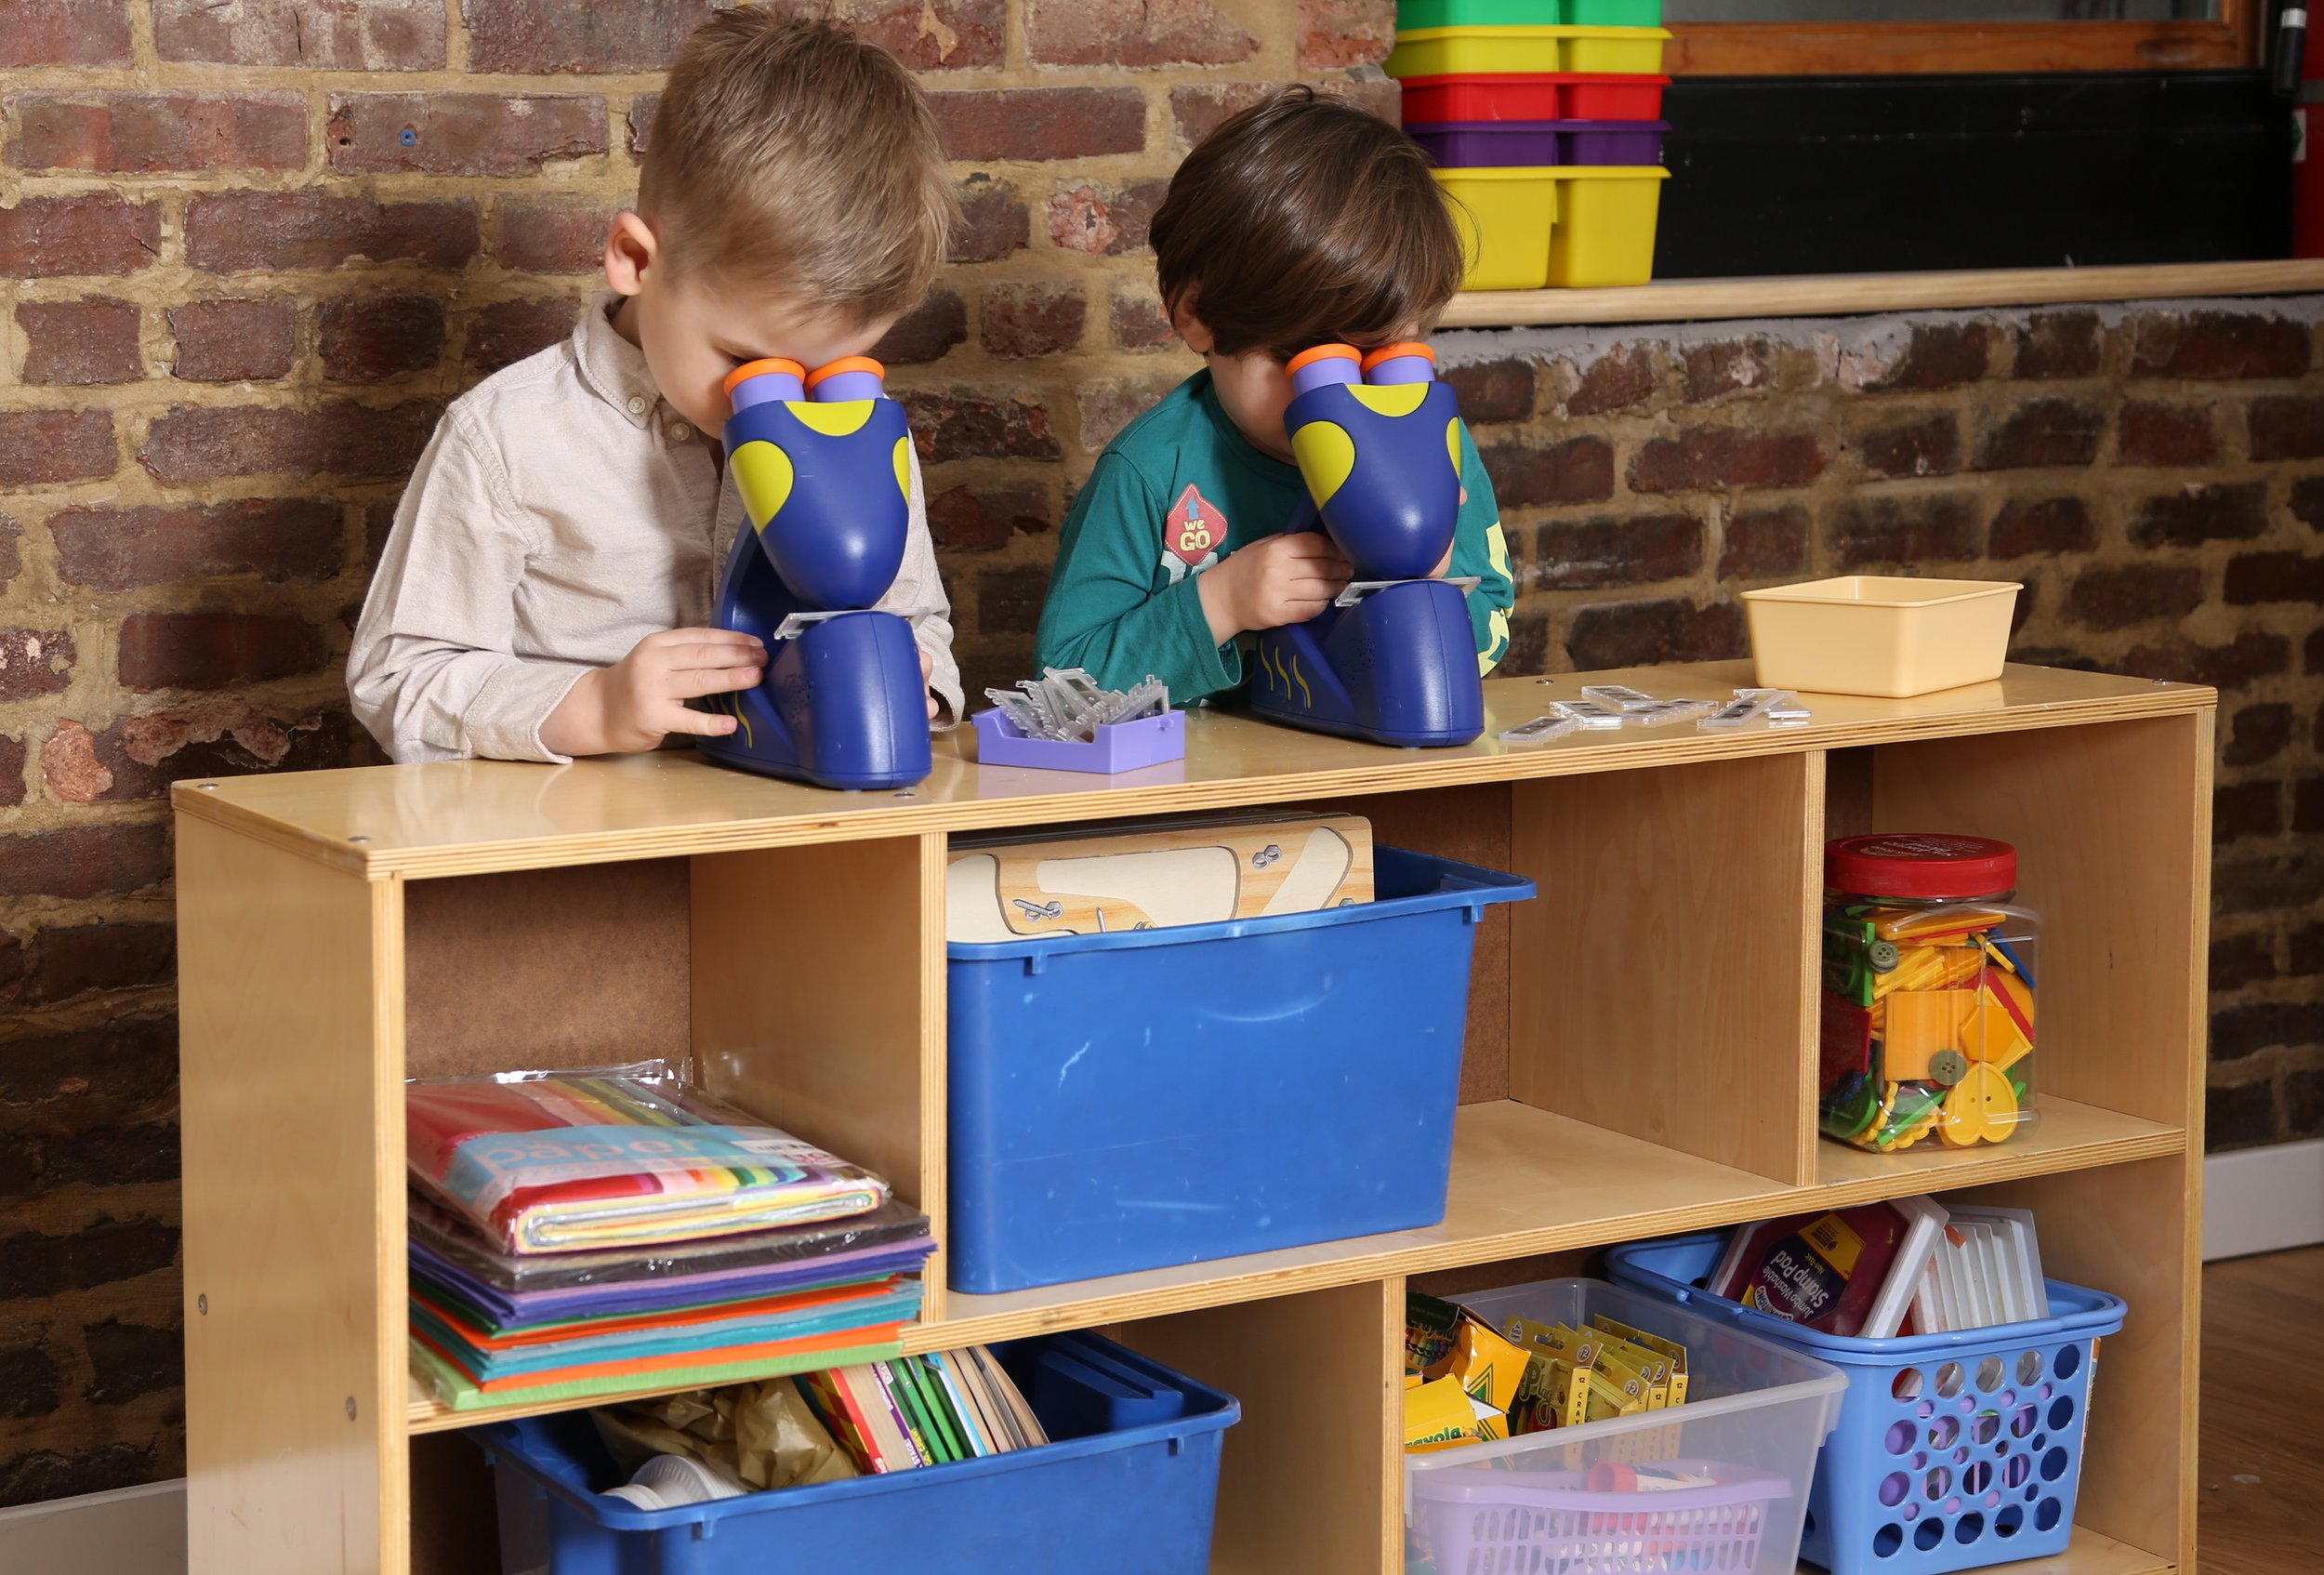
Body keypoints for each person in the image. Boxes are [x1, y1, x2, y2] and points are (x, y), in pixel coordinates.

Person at [350, 10, 961, 762]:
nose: (794, 403)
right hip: (584, 854)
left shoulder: (860, 435)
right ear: (636, 260)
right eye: (748, 363)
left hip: (798, 844)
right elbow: (395, 677)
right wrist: (595, 706)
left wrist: (916, 678)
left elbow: (918, 618)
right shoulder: (506, 440)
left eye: (834, 371)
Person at [1034, 87, 1513, 704]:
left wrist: (1425, 593)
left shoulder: (1425, 448)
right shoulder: (1152, 472)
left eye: (1380, 359)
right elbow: (1059, 692)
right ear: (1197, 316)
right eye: (1302, 361)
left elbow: (1496, 613)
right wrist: (1219, 604)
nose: (1341, 403)